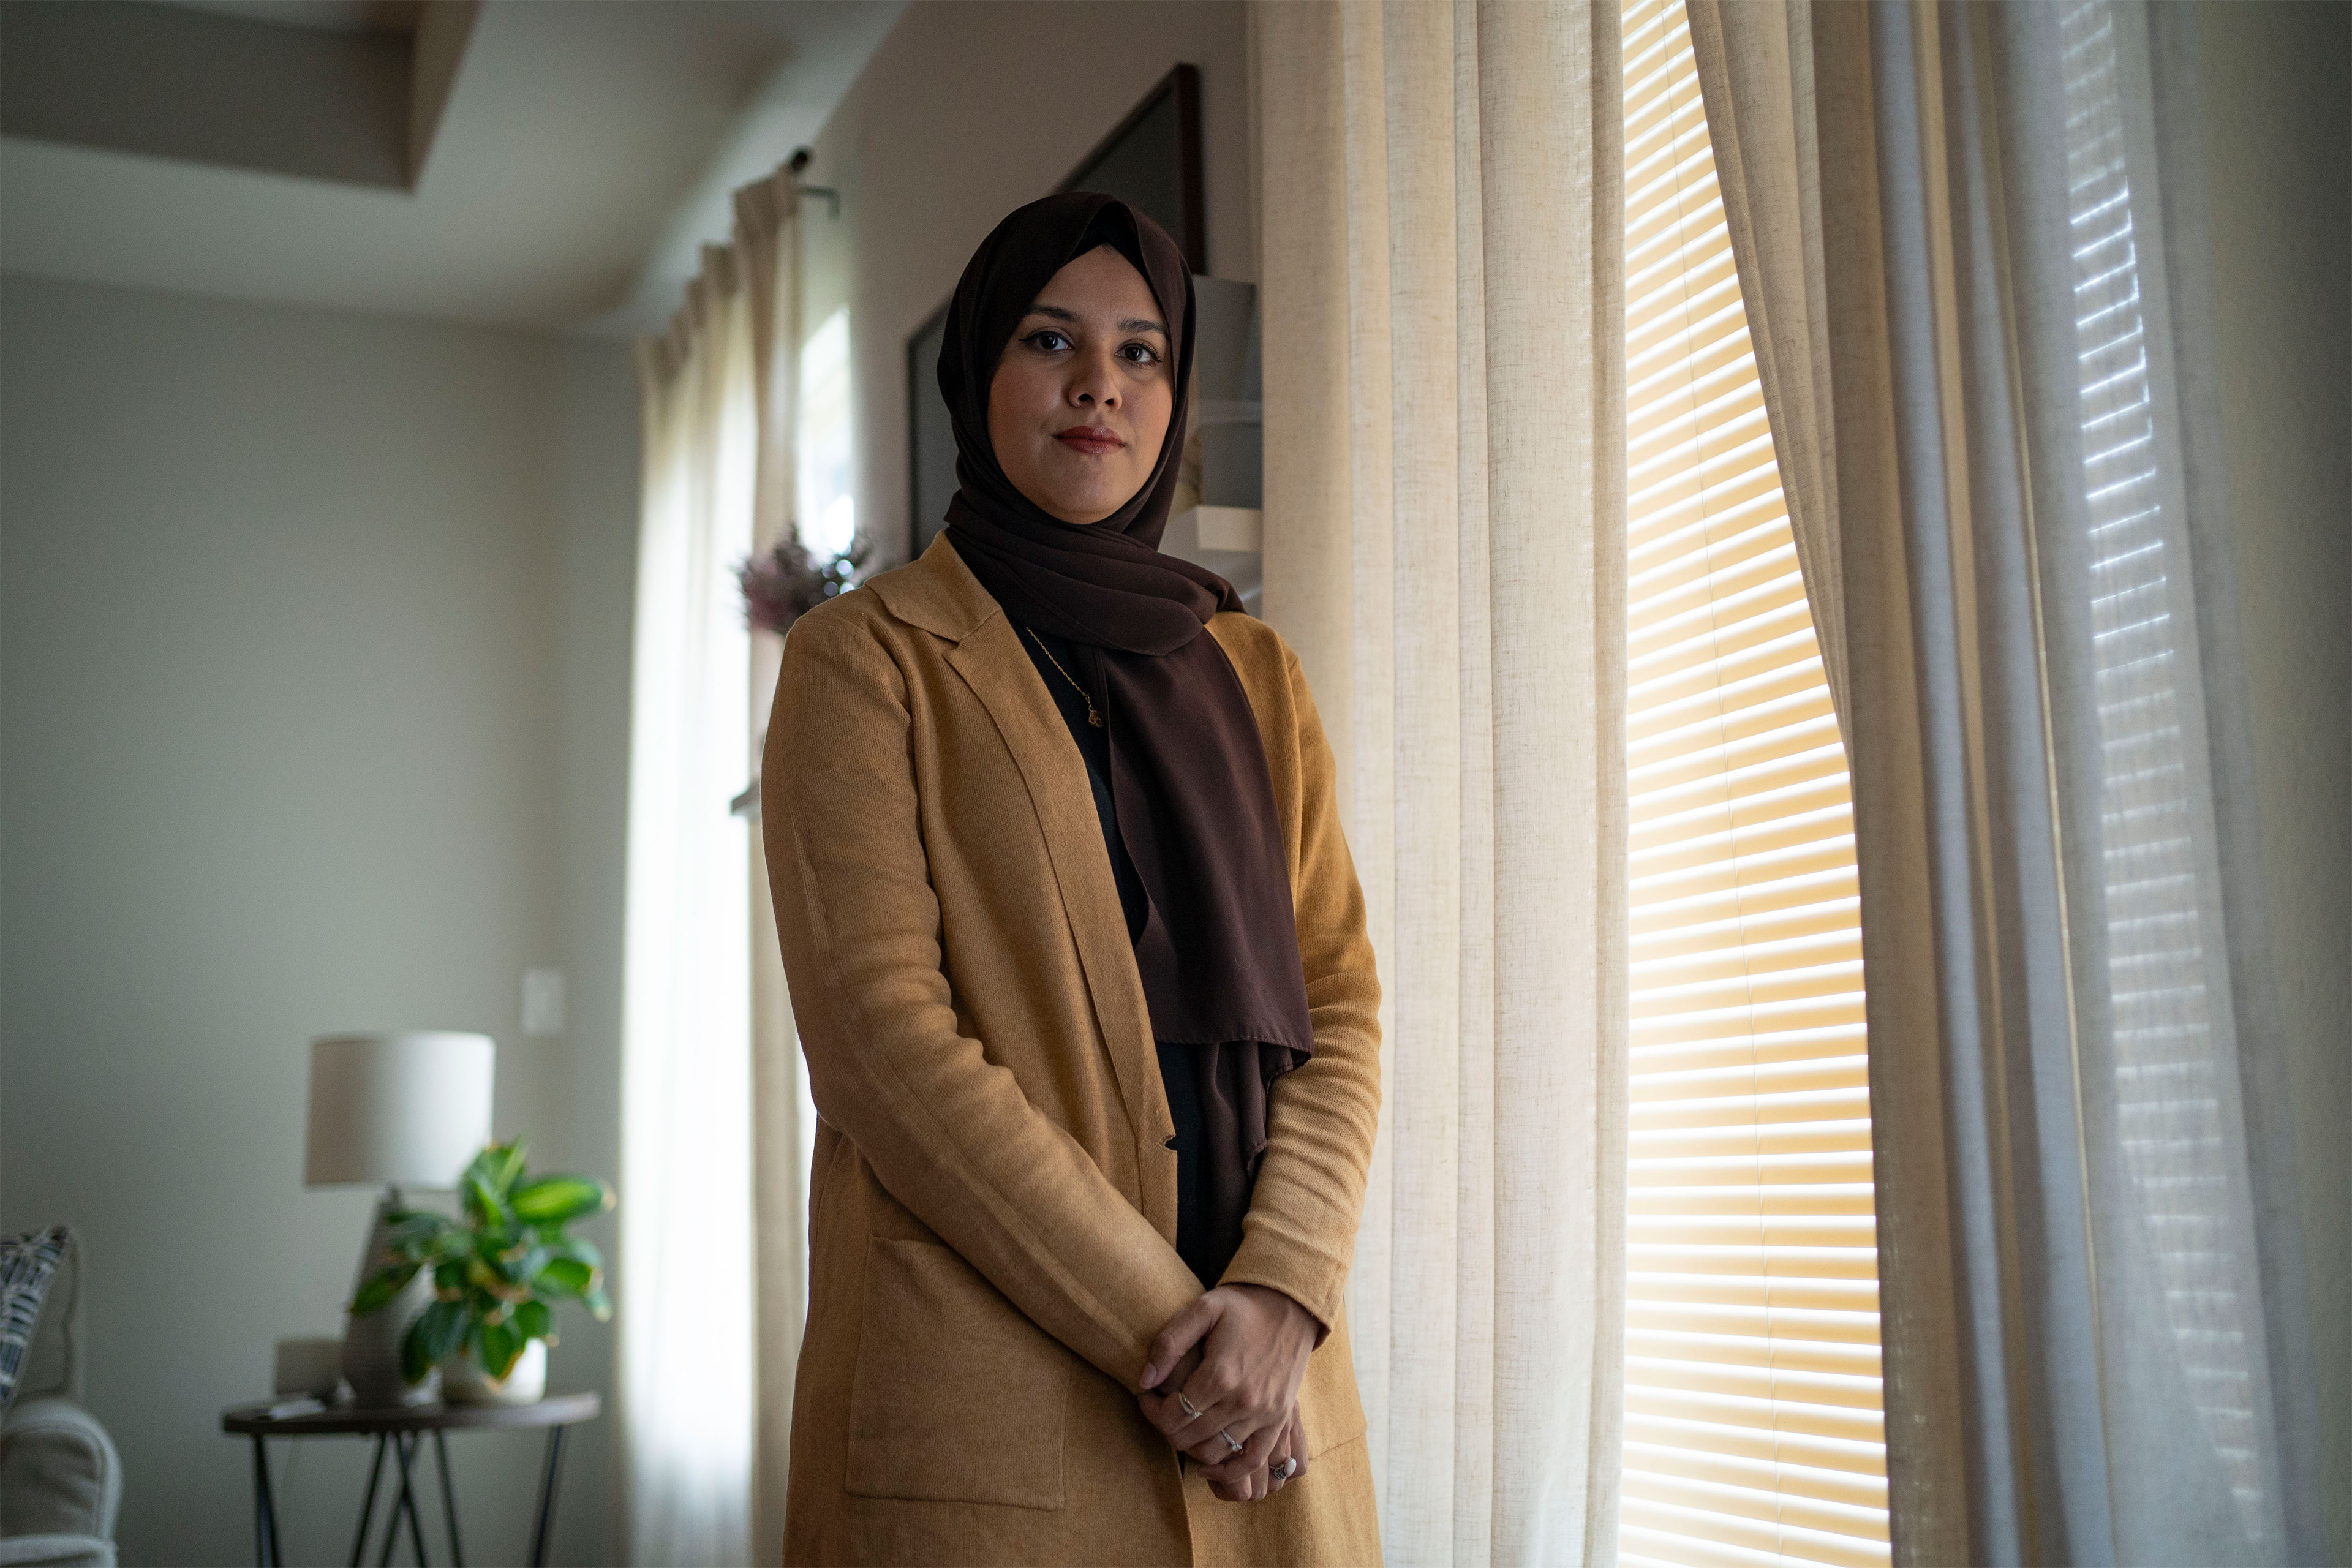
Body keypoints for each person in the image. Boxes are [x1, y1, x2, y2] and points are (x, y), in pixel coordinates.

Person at [761, 192, 1382, 1566]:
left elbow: (1339, 1007)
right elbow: (883, 1047)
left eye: (1141, 351)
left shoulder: (1257, 673)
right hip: (1003, 1407)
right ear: (977, 375)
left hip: (1272, 1413)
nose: (1101, 382)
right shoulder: (867, 658)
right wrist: (1190, 1350)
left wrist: (1284, 1288)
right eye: (1051, 340)